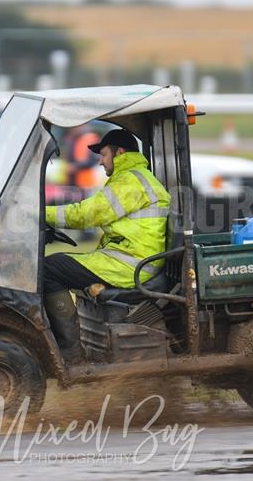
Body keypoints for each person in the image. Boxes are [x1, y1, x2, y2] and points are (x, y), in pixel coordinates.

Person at [43, 129, 171, 361]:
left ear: (119, 152)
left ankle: (70, 354)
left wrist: (40, 212)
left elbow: (87, 215)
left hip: (131, 264)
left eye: (103, 154)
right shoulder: (133, 178)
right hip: (127, 258)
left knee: (48, 269)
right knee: (58, 264)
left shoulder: (131, 181)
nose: (100, 161)